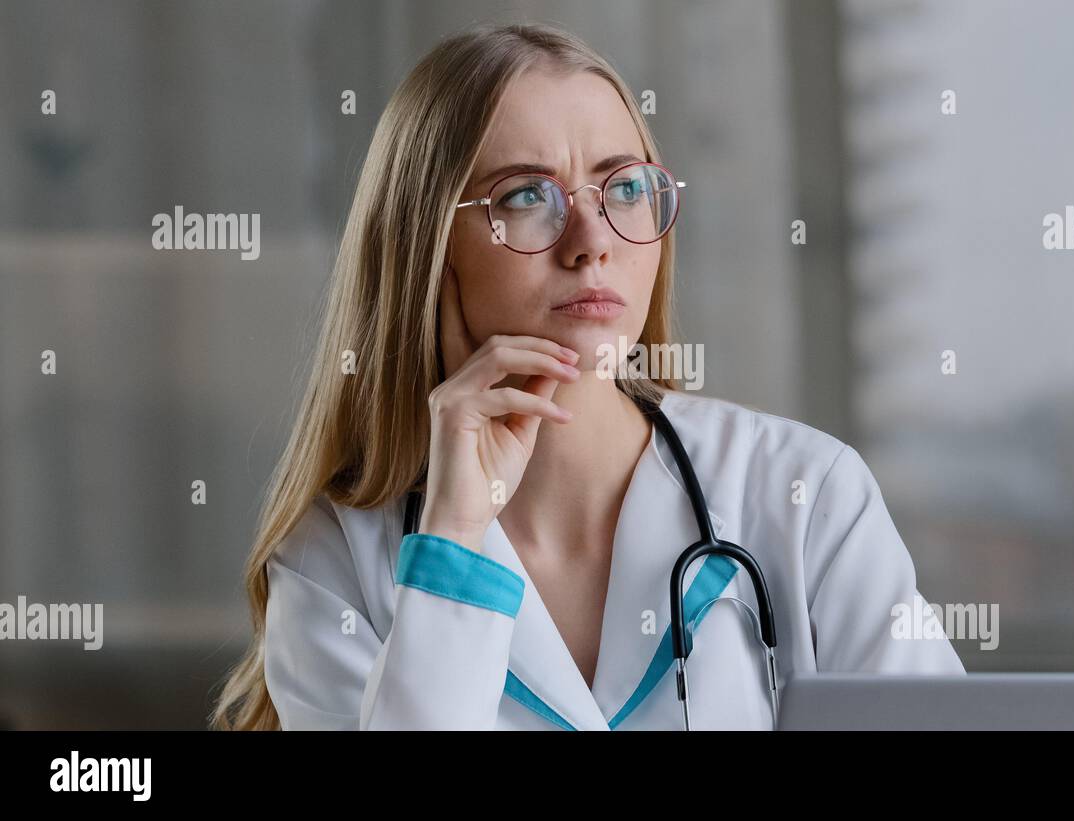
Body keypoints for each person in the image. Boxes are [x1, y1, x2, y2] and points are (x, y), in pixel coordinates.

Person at [211, 22, 963, 731]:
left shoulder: (807, 495)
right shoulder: (332, 559)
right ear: (427, 248)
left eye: (625, 187)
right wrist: (453, 544)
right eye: (527, 195)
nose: (592, 241)